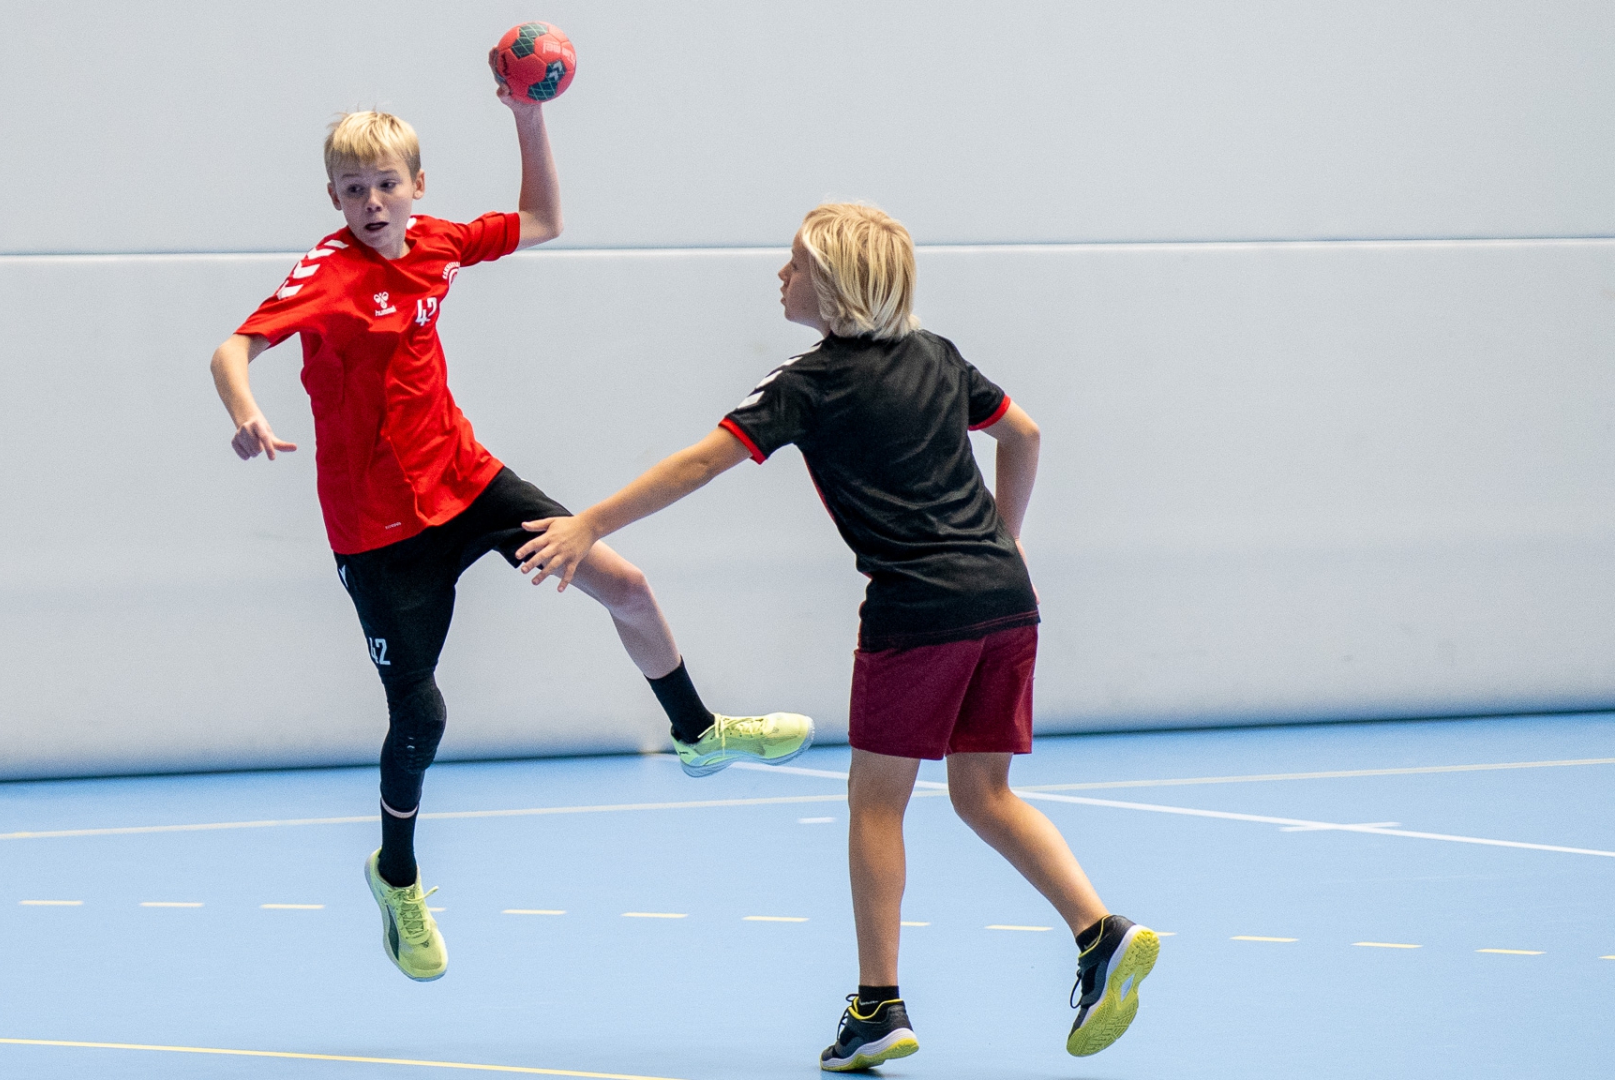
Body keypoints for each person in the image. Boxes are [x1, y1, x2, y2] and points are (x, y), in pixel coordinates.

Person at [515, 203, 1159, 1064]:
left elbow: (702, 461)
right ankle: (1099, 931)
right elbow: (1023, 433)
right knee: (983, 794)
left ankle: (878, 1007)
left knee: (874, 802)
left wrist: (589, 522)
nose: (780, 276)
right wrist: (1004, 542)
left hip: (916, 611)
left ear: (836, 284)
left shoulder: (809, 383)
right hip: (1006, 602)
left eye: (794, 264)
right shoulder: (939, 356)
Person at [205, 83, 813, 984]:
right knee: (421, 719)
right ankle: (397, 876)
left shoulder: (441, 243)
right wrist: (247, 411)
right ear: (333, 199)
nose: (369, 204)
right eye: (350, 189)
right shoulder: (328, 276)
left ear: (416, 185)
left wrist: (528, 117)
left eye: (383, 184)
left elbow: (541, 219)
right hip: (377, 531)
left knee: (628, 586)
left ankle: (695, 732)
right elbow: (233, 347)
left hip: (467, 478)